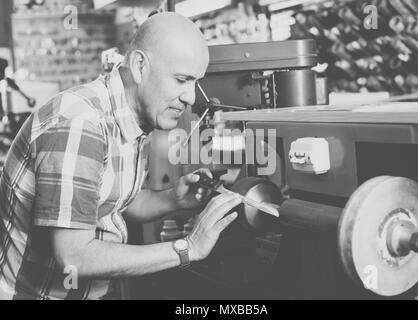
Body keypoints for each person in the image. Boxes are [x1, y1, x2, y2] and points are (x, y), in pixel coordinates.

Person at [0, 12, 241, 300]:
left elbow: (109, 202)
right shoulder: (81, 124)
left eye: (195, 82)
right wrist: (188, 247)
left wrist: (173, 199)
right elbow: (74, 256)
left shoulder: (132, 118)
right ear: (140, 66)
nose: (190, 96)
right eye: (181, 80)